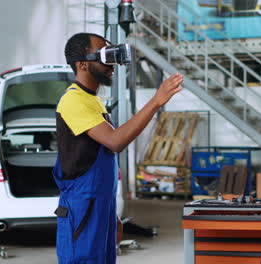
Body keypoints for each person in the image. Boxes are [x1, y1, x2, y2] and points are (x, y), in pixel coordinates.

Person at [53, 32, 183, 264]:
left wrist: (110, 214)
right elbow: (115, 141)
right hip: (82, 211)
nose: (111, 64)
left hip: (99, 208)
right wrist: (155, 101)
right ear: (82, 64)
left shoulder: (92, 100)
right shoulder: (72, 101)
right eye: (104, 56)